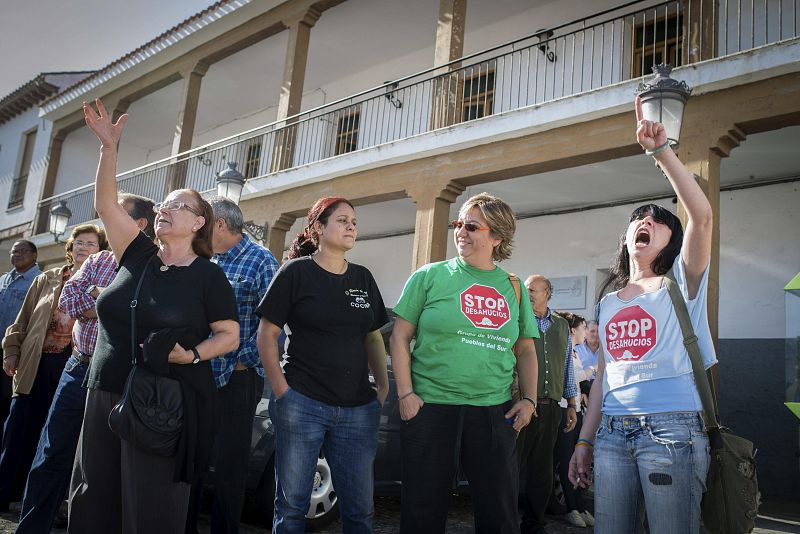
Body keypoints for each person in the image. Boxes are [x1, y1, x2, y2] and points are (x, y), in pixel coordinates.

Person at [68, 99, 240, 534]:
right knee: (92, 499)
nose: (165, 208)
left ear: (200, 222)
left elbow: (229, 335)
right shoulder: (138, 253)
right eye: (163, 204)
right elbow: (107, 205)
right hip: (104, 386)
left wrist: (194, 356)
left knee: (148, 504)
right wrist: (109, 149)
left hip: (160, 398)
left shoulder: (208, 277)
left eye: (178, 206)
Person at [569, 97, 716, 533]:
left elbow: (702, 216)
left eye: (657, 220)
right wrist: (584, 441)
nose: (644, 221)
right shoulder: (608, 301)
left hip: (673, 433)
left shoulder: (681, 284)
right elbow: (603, 380)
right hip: (613, 433)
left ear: (671, 239)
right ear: (629, 235)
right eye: (638, 218)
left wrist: (660, 152)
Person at [391, 192, 540, 534]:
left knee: (500, 514)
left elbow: (526, 350)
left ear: (497, 237)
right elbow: (399, 336)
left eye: (472, 226)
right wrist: (406, 395)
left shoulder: (513, 287)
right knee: (421, 513)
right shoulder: (429, 276)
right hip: (430, 407)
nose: (460, 231)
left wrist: (529, 400)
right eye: (458, 223)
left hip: (493, 411)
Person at [16, 194, 154, 533]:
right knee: (51, 453)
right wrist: (107, 302)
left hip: (120, 376)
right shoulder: (98, 260)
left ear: (138, 225)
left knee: (101, 466)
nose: (107, 219)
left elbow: (137, 315)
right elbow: (68, 299)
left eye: (116, 214)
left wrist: (97, 297)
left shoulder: (154, 267)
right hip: (77, 367)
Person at [256, 196, 389, 534]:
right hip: (302, 402)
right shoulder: (296, 272)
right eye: (342, 220)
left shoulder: (363, 277)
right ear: (318, 227)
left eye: (354, 223)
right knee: (291, 508)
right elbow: (267, 334)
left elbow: (373, 337)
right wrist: (281, 390)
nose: (350, 227)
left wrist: (383, 387)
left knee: (360, 511)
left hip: (358, 409)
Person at [185, 196, 279, 534]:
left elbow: (274, 325)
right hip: (199, 375)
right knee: (193, 459)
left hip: (238, 382)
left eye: (206, 224)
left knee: (230, 467)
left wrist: (242, 361)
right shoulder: (205, 260)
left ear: (221, 225)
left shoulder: (262, 261)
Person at [0, 225, 105, 508]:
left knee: (55, 438)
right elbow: (21, 322)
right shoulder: (47, 279)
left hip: (72, 367)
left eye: (91, 244)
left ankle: (41, 500)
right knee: (18, 430)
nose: (83, 247)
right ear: (71, 247)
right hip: (35, 363)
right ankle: (4, 492)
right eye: (79, 242)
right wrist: (11, 352)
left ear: (101, 252)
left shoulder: (103, 283)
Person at [518, 274, 578, 534]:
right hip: (521, 403)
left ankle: (534, 523)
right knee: (512, 465)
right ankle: (505, 520)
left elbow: (567, 366)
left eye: (533, 290)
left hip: (552, 405)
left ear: (548, 293)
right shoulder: (519, 319)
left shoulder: (562, 325)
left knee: (542, 470)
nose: (528, 293)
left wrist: (572, 403)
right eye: (526, 289)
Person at [552, 311, 593, 528]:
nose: (586, 332)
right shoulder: (562, 349)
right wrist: (590, 371)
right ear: (573, 330)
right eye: (584, 327)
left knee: (580, 460)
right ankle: (571, 508)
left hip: (575, 410)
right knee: (567, 460)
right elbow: (564, 376)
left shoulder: (577, 353)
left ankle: (581, 505)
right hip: (562, 410)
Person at [0, 240, 41, 447]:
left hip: (17, 354)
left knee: (9, 404)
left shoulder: (39, 281)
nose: (17, 254)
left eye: (23, 251)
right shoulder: (4, 280)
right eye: (14, 251)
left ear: (35, 256)